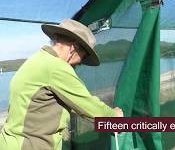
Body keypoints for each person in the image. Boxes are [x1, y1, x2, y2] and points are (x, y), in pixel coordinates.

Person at [0, 19, 123, 150]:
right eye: (83, 57)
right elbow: (90, 106)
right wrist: (115, 117)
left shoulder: (37, 60)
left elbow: (39, 104)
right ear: (73, 49)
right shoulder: (56, 67)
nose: (79, 63)